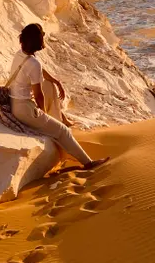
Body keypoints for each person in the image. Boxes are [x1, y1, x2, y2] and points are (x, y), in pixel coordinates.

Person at [8, 23, 108, 171]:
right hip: (25, 110)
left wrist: (55, 81)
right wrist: (42, 113)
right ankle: (88, 163)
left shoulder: (20, 54)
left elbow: (37, 70)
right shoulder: (33, 63)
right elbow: (38, 94)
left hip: (14, 104)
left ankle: (58, 120)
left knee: (48, 85)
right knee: (63, 131)